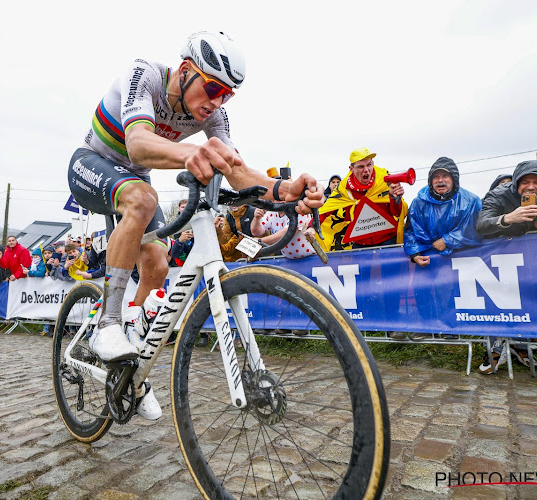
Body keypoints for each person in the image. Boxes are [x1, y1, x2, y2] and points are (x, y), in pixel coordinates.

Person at [67, 31, 323, 420]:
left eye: (227, 95)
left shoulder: (215, 114)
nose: (217, 102)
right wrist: (194, 152)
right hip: (92, 162)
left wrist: (284, 190)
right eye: (213, 88)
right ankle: (109, 324)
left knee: (157, 262)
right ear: (186, 70)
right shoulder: (146, 75)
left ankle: (128, 364)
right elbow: (137, 144)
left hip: (135, 178)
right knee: (142, 199)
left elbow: (236, 171)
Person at [475, 160, 537, 372]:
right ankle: (494, 349)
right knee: (497, 302)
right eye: (525, 182)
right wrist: (508, 218)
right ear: (516, 183)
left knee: (526, 302)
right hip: (499, 255)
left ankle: (521, 347)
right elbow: (481, 225)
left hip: (530, 257)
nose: (531, 187)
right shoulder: (498, 195)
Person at [404, 157, 482, 340]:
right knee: (420, 287)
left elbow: (476, 228)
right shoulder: (419, 202)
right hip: (428, 254)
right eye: (436, 177)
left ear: (454, 178)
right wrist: (415, 253)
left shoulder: (470, 201)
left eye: (445, 176)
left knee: (449, 288)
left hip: (460, 254)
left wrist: (448, 240)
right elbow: (410, 231)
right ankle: (427, 325)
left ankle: (451, 326)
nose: (440, 180)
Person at [317, 147, 408, 251]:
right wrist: (311, 227)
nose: (366, 170)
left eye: (369, 165)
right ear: (351, 169)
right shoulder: (343, 188)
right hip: (360, 245)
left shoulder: (384, 179)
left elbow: (397, 214)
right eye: (361, 166)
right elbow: (325, 210)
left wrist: (394, 199)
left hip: (388, 241)